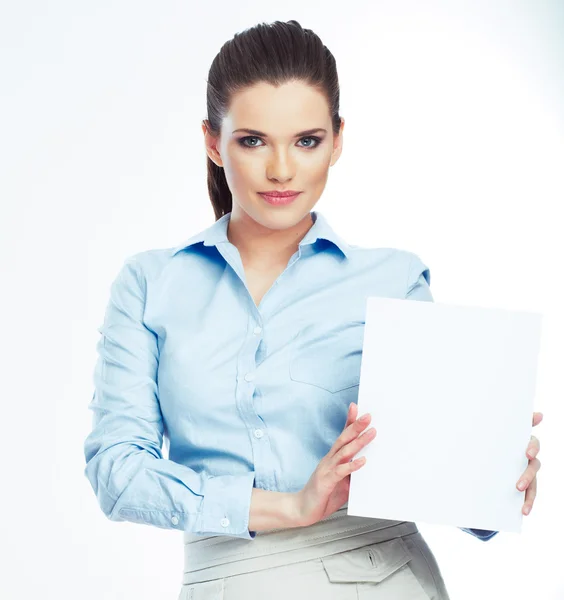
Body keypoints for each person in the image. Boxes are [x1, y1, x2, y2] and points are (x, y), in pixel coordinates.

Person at [84, 19, 542, 600]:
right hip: (230, 581)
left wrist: (495, 473)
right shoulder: (150, 283)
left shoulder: (393, 280)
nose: (281, 170)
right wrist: (291, 505)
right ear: (211, 140)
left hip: (383, 577)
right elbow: (117, 474)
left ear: (338, 139)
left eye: (307, 140)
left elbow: (442, 479)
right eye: (253, 141)